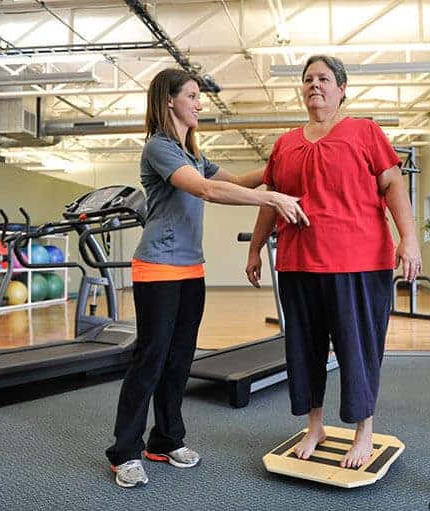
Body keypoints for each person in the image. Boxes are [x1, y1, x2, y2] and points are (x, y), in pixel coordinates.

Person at [106, 68, 309, 489]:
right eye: (193, 95)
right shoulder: (160, 148)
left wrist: (280, 159)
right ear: (169, 101)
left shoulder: (192, 153)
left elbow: (233, 181)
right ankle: (124, 450)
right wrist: (271, 197)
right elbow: (206, 191)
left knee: (180, 359)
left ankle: (165, 439)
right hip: (158, 268)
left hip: (190, 269)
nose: (200, 103)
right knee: (151, 359)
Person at [245, 55, 421, 469]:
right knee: (304, 350)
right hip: (297, 264)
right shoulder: (285, 143)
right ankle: (315, 425)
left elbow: (393, 184)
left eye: (324, 79)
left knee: (357, 349)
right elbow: (270, 199)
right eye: (308, 79)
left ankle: (364, 430)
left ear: (342, 89)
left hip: (358, 263)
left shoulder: (364, 132)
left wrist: (409, 239)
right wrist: (254, 248)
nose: (314, 85)